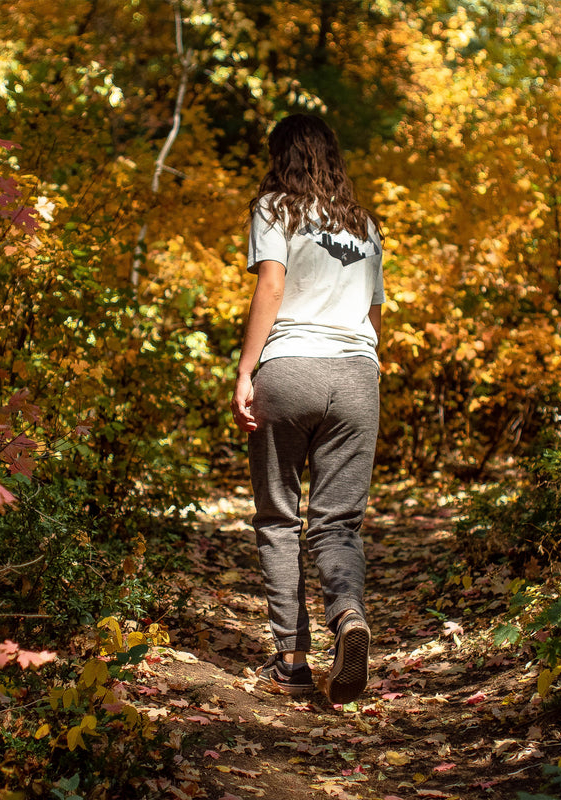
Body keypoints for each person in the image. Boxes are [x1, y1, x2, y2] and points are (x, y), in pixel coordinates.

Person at [230, 114, 384, 704]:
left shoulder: (275, 208)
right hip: (355, 375)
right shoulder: (365, 226)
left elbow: (270, 286)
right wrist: (369, 370)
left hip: (290, 367)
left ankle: (293, 662)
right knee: (337, 521)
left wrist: (246, 369)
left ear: (280, 156)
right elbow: (373, 314)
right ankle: (348, 616)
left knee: (278, 517)